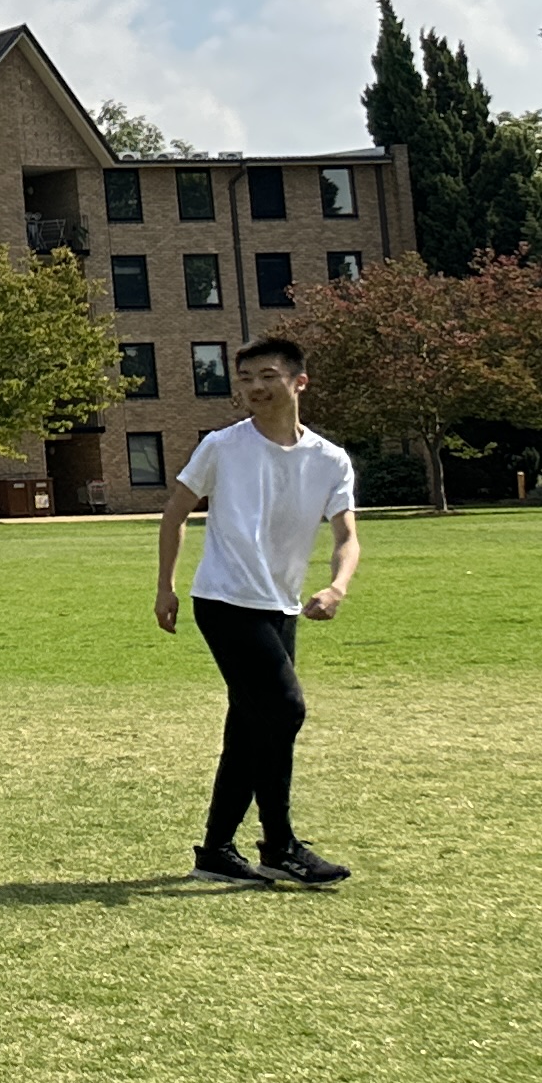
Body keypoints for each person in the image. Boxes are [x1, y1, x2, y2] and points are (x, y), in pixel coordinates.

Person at [155, 334, 360, 887]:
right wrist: (166, 587)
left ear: (299, 381)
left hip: (280, 606)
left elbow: (347, 536)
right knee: (285, 710)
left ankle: (217, 852)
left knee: (250, 725)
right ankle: (279, 843)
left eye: (267, 376)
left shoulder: (330, 460)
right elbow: (175, 513)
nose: (254, 388)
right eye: (244, 379)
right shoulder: (222, 446)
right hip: (224, 600)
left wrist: (338, 586)